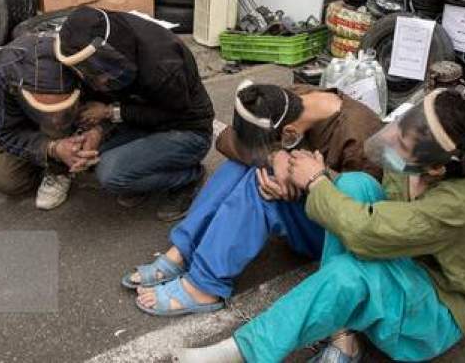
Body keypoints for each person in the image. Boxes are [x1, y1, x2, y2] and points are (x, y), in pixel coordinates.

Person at [175, 89, 465, 363]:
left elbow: (366, 230)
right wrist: (318, 176)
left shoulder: (461, 202)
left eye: (414, 135)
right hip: (407, 257)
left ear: (439, 169)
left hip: (438, 306)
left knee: (349, 275)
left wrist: (315, 181)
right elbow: (376, 208)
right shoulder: (423, 160)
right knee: (354, 185)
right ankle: (341, 335)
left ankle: (245, 351)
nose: (402, 134)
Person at [122, 81, 382, 317]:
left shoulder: (360, 139)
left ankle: (204, 286)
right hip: (310, 196)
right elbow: (229, 140)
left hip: (335, 230)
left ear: (290, 133)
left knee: (258, 185)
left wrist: (308, 184)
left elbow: (362, 217)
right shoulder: (291, 99)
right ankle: (181, 252)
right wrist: (275, 156)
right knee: (247, 163)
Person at [55, 7, 214, 222]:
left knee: (111, 174)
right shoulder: (108, 37)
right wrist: (96, 132)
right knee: (87, 154)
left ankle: (188, 178)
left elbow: (173, 114)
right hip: (141, 119)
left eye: (93, 70)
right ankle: (142, 174)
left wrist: (110, 112)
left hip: (187, 128)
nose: (95, 79)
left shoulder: (162, 65)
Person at [0, 31, 101, 210]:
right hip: (30, 127)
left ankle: (60, 170)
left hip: (83, 115)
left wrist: (97, 131)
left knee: (107, 170)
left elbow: (116, 105)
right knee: (7, 183)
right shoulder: (5, 71)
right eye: (45, 108)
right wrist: (51, 149)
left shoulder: (86, 63)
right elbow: (3, 132)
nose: (55, 119)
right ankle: (59, 155)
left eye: (61, 106)